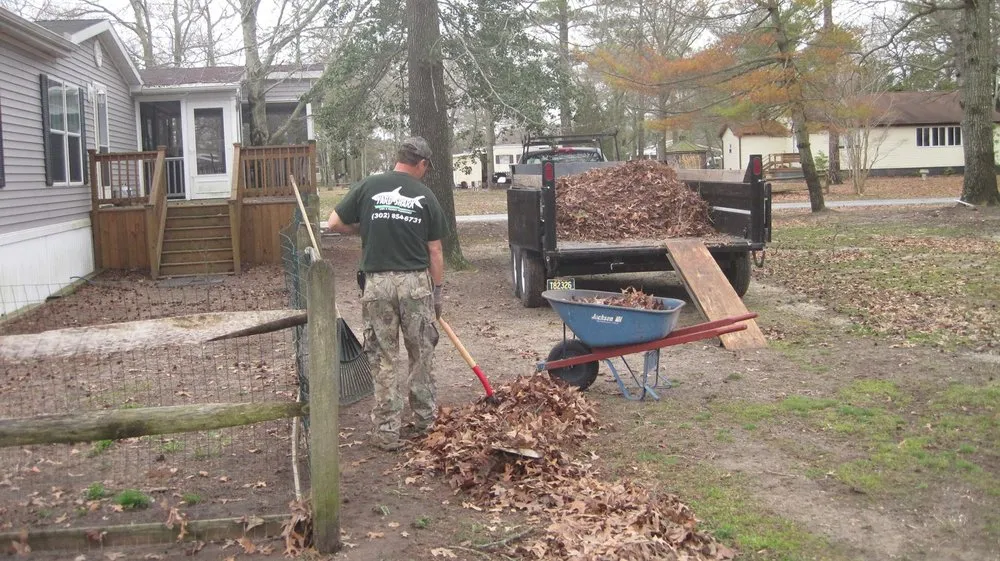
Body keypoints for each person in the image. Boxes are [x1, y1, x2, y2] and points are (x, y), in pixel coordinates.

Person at [327, 136, 448, 451]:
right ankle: (425, 423)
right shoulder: (425, 195)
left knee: (383, 358)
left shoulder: (369, 186)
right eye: (426, 167)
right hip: (415, 285)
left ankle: (386, 432)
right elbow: (435, 251)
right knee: (421, 355)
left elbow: (334, 222)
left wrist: (364, 227)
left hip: (377, 284)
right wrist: (437, 292)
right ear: (421, 163)